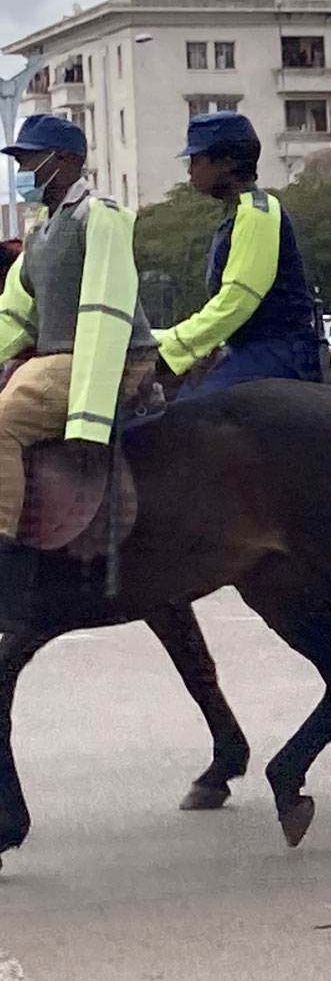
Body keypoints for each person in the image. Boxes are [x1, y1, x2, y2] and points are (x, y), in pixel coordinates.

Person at [0, 115, 157, 621]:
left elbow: (106, 314)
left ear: (64, 160)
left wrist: (89, 413)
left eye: (29, 159)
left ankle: (5, 560)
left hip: (104, 358)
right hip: (58, 357)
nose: (23, 169)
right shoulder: (40, 230)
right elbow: (14, 314)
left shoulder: (101, 217)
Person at [154, 113, 324, 395]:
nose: (190, 171)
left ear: (227, 163)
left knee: (191, 415)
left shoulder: (258, 213)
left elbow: (237, 300)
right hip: (248, 349)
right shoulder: (237, 214)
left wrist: (172, 347)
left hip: (279, 352)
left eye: (197, 160)